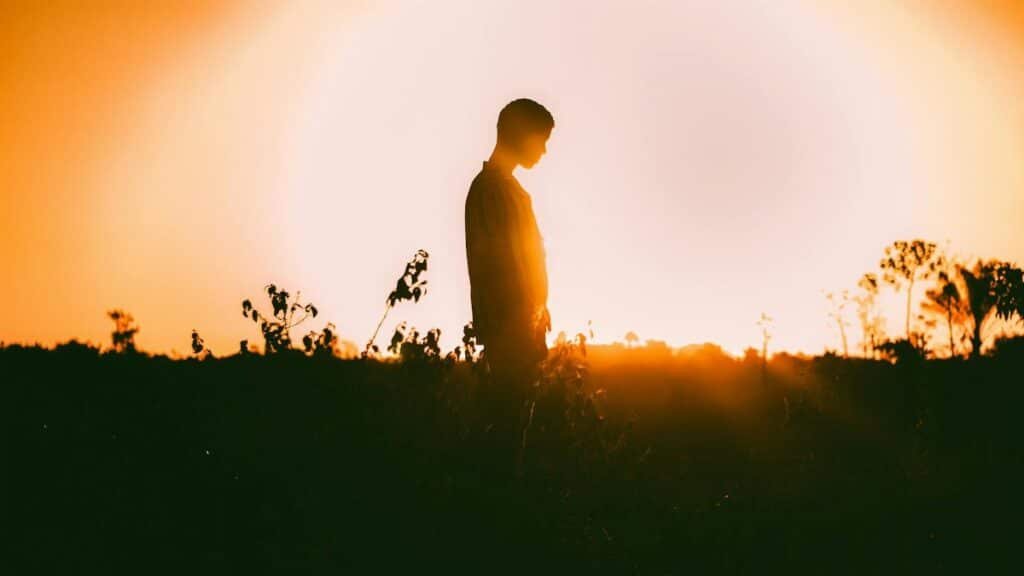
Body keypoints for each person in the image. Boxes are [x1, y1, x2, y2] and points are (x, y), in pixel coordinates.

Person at [465, 98, 554, 392]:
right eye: (540, 140)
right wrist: (523, 328)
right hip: (511, 335)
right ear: (520, 134)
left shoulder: (510, 190)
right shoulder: (490, 190)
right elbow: (503, 268)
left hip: (522, 332)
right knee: (508, 425)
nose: (543, 150)